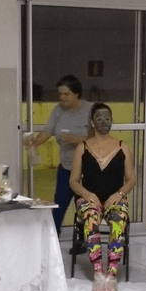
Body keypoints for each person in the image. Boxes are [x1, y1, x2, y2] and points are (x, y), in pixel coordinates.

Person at [69, 103, 136, 291]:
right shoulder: (82, 147)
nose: (104, 122)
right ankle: (98, 273)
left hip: (115, 198)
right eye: (99, 118)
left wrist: (119, 194)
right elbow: (73, 181)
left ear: (112, 121)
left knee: (119, 221)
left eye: (107, 118)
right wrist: (88, 195)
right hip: (89, 198)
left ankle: (112, 274)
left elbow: (131, 180)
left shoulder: (123, 147)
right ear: (92, 122)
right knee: (90, 219)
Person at [24, 75, 92, 237]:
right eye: (60, 94)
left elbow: (100, 137)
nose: (62, 98)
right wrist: (36, 141)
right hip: (66, 167)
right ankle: (53, 237)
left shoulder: (91, 110)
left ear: (76, 93)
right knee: (59, 203)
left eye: (66, 94)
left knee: (84, 206)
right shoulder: (58, 110)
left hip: (87, 169)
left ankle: (83, 241)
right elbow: (48, 130)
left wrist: (78, 140)